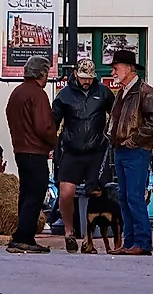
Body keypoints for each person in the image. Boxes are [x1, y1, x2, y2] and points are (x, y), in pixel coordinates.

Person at [105, 49, 153, 255]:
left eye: (115, 68)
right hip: (122, 149)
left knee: (134, 196)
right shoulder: (123, 92)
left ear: (128, 68)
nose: (113, 72)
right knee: (124, 196)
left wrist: (134, 139)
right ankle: (130, 242)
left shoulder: (145, 92)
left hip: (136, 150)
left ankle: (141, 242)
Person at [52, 57, 112, 252]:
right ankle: (69, 231)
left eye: (90, 78)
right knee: (66, 192)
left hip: (96, 150)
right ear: (76, 74)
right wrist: (50, 144)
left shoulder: (103, 92)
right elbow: (53, 121)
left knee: (93, 193)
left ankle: (88, 239)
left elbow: (116, 115)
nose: (87, 81)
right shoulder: (64, 95)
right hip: (71, 149)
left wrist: (112, 136)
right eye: (84, 77)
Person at [6, 56, 59, 253]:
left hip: (21, 150)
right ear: (42, 73)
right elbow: (43, 125)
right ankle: (24, 237)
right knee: (35, 195)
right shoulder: (38, 94)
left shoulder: (17, 92)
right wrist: (54, 141)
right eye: (47, 73)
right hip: (35, 151)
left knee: (26, 194)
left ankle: (21, 235)